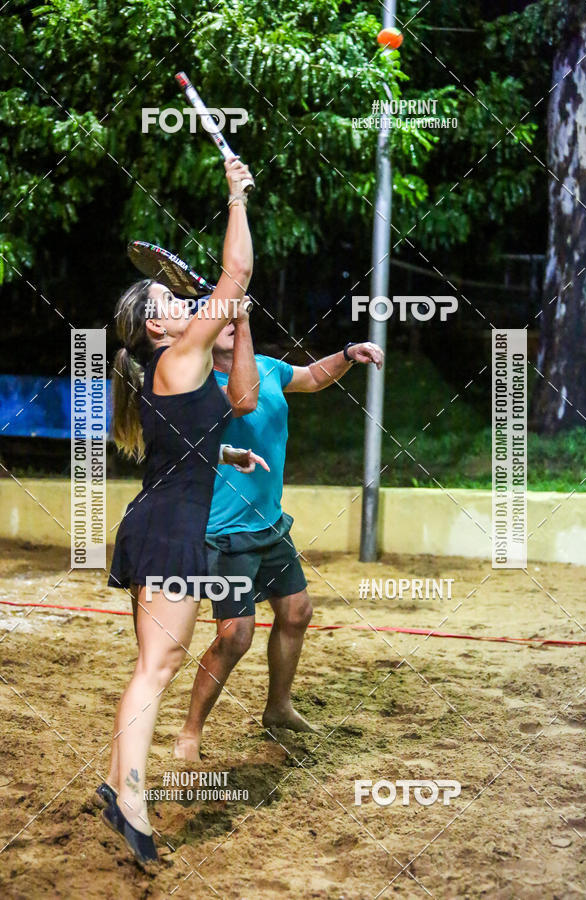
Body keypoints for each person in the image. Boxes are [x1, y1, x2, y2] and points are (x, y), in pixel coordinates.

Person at [101, 157, 268, 868]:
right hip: (169, 530)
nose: (180, 302)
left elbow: (193, 438)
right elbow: (238, 275)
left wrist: (229, 455)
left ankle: (116, 781)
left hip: (161, 520)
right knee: (159, 668)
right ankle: (132, 800)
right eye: (166, 300)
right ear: (155, 326)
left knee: (153, 663)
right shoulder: (181, 354)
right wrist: (236, 197)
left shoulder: (175, 369)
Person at [174, 324, 384, 762]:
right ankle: (190, 733)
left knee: (297, 612)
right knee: (235, 636)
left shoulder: (267, 368)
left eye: (236, 321)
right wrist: (242, 321)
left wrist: (348, 353)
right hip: (224, 533)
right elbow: (242, 400)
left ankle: (278, 708)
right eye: (223, 321)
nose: (231, 325)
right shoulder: (197, 384)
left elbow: (312, 377)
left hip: (269, 526)